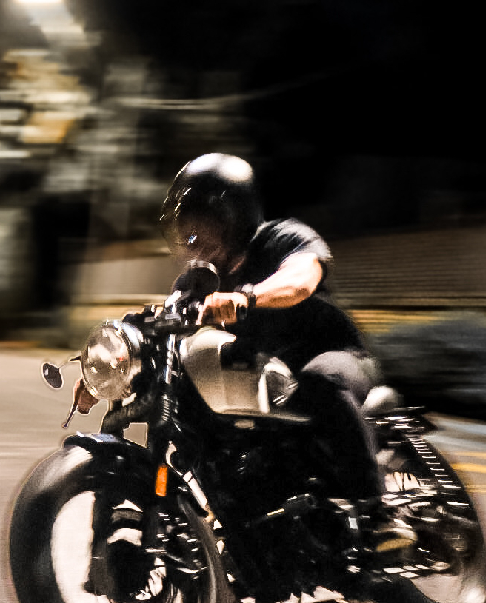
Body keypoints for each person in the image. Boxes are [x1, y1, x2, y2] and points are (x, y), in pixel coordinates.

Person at [77, 152, 415, 552]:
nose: (192, 236)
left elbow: (301, 279)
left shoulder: (282, 238)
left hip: (328, 355)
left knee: (321, 383)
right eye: (185, 228)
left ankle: (378, 513)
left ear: (233, 216)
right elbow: (157, 320)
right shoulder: (196, 281)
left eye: (201, 223)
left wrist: (247, 297)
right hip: (264, 374)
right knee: (194, 409)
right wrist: (106, 368)